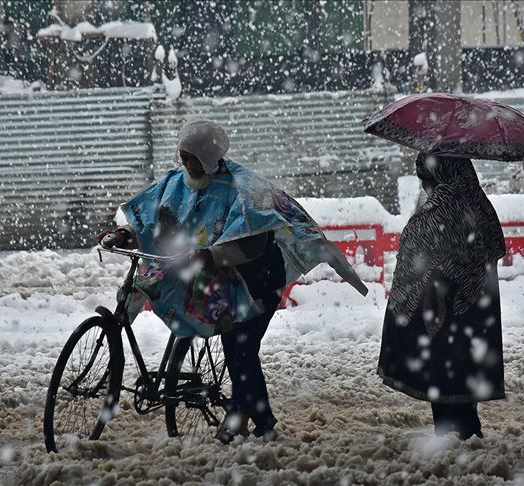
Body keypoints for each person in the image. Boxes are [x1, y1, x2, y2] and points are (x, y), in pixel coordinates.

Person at [99, 117, 367, 444]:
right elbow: (152, 217)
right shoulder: (176, 183)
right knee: (235, 350)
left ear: (209, 158)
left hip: (256, 282)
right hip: (217, 281)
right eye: (183, 157)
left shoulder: (244, 189)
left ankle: (260, 422)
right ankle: (244, 415)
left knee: (241, 351)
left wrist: (209, 256)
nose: (186, 165)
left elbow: (252, 244)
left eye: (192, 159)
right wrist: (125, 234)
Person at [378, 153, 506, 440]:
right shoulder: (478, 201)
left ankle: (453, 439)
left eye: (424, 177)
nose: (424, 185)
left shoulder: (442, 206)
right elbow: (494, 246)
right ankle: (469, 433)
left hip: (444, 303)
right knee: (464, 375)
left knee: (445, 375)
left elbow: (418, 243)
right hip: (476, 305)